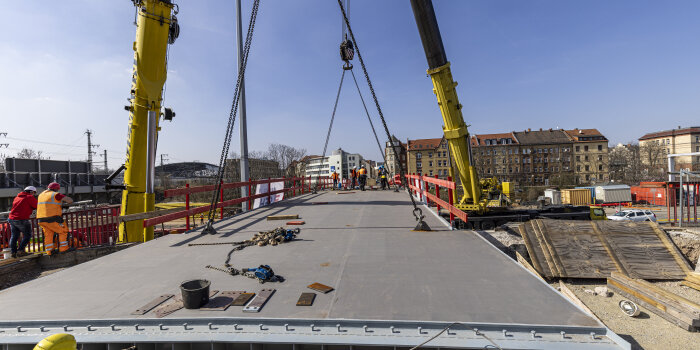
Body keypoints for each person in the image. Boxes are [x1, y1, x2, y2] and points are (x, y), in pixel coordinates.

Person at [37, 182, 73, 256]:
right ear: (57, 189)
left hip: (41, 219)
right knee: (63, 231)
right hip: (53, 218)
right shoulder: (56, 194)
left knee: (48, 235)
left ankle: (50, 251)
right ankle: (63, 249)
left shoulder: (41, 195)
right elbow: (69, 200)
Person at [8, 186, 38, 258]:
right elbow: (37, 206)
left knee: (14, 236)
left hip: (12, 218)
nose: (34, 195)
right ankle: (20, 251)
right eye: (34, 193)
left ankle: (13, 252)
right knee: (28, 235)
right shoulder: (29, 197)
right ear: (31, 192)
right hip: (21, 219)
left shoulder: (17, 197)